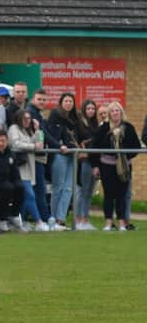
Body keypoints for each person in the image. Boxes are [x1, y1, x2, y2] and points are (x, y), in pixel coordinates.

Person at [90, 102, 140, 231]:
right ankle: (108, 222)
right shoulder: (104, 128)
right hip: (107, 165)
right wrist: (95, 166)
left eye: (117, 110)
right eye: (112, 111)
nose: (115, 113)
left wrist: (124, 157)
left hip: (123, 167)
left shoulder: (128, 127)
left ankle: (122, 223)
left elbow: (136, 146)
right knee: (108, 194)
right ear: (109, 114)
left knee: (122, 195)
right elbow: (94, 146)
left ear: (121, 112)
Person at [7, 109, 49, 232]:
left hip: (29, 168)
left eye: (29, 118)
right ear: (19, 118)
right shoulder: (14, 128)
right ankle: (38, 221)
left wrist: (38, 130)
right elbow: (15, 144)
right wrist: (32, 146)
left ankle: (21, 222)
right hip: (19, 168)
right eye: (25, 118)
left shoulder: (27, 131)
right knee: (29, 194)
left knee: (25, 197)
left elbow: (38, 144)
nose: (27, 121)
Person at [47, 92, 79, 230]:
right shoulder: (55, 115)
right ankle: (53, 219)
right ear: (61, 102)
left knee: (68, 188)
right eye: (66, 101)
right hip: (60, 154)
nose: (68, 103)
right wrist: (60, 145)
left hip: (72, 155)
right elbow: (51, 135)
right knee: (57, 188)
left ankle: (61, 219)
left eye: (70, 101)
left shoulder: (75, 118)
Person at [26, 88, 59, 222]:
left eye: (44, 100)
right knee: (38, 189)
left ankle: (41, 218)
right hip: (34, 156)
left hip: (38, 155)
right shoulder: (32, 113)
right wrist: (58, 146)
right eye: (39, 99)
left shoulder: (37, 113)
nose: (41, 102)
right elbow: (42, 134)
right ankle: (44, 219)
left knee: (37, 189)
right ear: (33, 99)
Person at [74, 99, 98, 230]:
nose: (91, 111)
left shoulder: (94, 124)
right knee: (82, 190)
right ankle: (78, 220)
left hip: (93, 161)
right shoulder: (79, 124)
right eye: (88, 108)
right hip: (83, 161)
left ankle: (85, 219)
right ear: (84, 109)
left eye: (93, 109)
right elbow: (77, 140)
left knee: (89, 192)